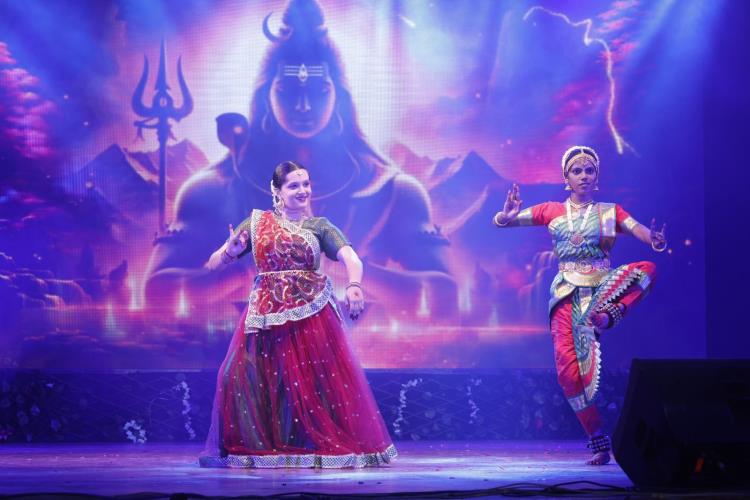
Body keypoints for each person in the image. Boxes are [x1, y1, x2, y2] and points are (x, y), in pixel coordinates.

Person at [143, 0, 455, 320]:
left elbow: (444, 298)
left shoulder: (392, 191)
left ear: (338, 95)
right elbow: (158, 293)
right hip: (256, 338)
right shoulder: (213, 191)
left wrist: (345, 269)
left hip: (339, 339)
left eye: (319, 91)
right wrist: (245, 268)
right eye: (288, 91)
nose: (304, 106)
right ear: (266, 94)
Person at [198, 161, 396, 468]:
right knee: (239, 376)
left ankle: (308, 446)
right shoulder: (256, 223)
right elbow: (211, 264)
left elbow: (352, 258)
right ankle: (261, 447)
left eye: (306, 184)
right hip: (264, 316)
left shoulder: (319, 226)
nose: (303, 190)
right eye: (294, 185)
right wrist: (229, 252)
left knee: (309, 383)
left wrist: (355, 286)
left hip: (311, 316)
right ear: (276, 191)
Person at [492, 146, 666, 465]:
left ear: (596, 177)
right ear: (567, 178)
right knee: (569, 375)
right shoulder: (551, 210)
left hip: (603, 288)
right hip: (566, 296)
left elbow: (639, 229)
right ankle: (598, 440)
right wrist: (506, 214)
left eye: (589, 170)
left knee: (648, 270)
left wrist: (653, 239)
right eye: (577, 171)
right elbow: (506, 222)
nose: (584, 175)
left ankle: (608, 316)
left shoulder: (610, 212)